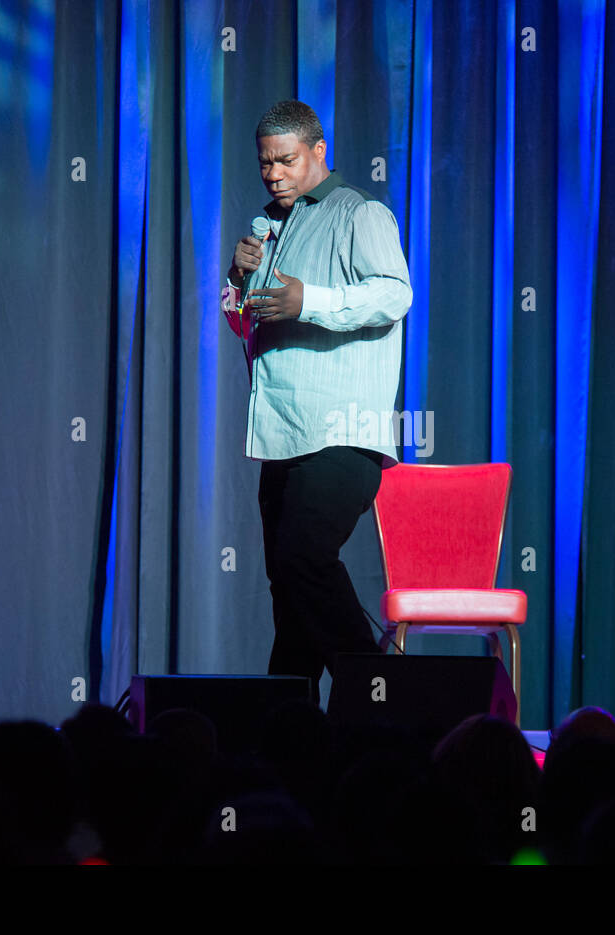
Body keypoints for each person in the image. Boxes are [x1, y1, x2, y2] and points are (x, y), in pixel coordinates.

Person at [221, 100, 413, 704]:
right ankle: (291, 735)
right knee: (289, 591)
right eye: (264, 164)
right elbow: (246, 327)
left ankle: (384, 698)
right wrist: (236, 280)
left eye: (286, 160)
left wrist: (311, 301)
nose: (273, 174)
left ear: (318, 151)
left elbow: (394, 294)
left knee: (304, 562)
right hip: (282, 437)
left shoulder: (359, 213)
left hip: (340, 434)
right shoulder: (269, 230)